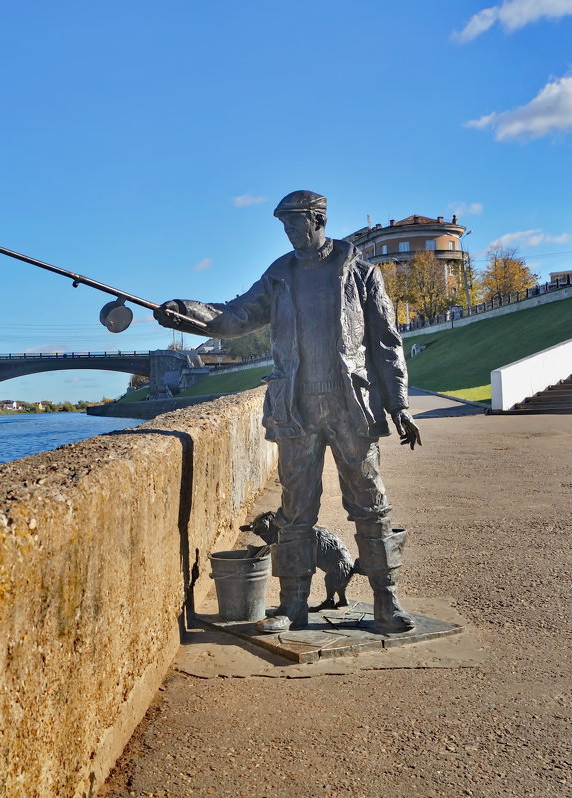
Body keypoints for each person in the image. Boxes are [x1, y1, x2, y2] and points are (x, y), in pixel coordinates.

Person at [154, 190, 422, 634]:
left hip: (349, 404)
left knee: (370, 504)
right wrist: (185, 313)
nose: (289, 234)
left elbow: (386, 343)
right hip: (296, 406)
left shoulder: (360, 272)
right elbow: (235, 316)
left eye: (295, 225)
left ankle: (386, 601)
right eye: (284, 227)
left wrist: (399, 404)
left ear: (318, 220)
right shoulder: (280, 275)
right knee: (296, 510)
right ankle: (292, 603)